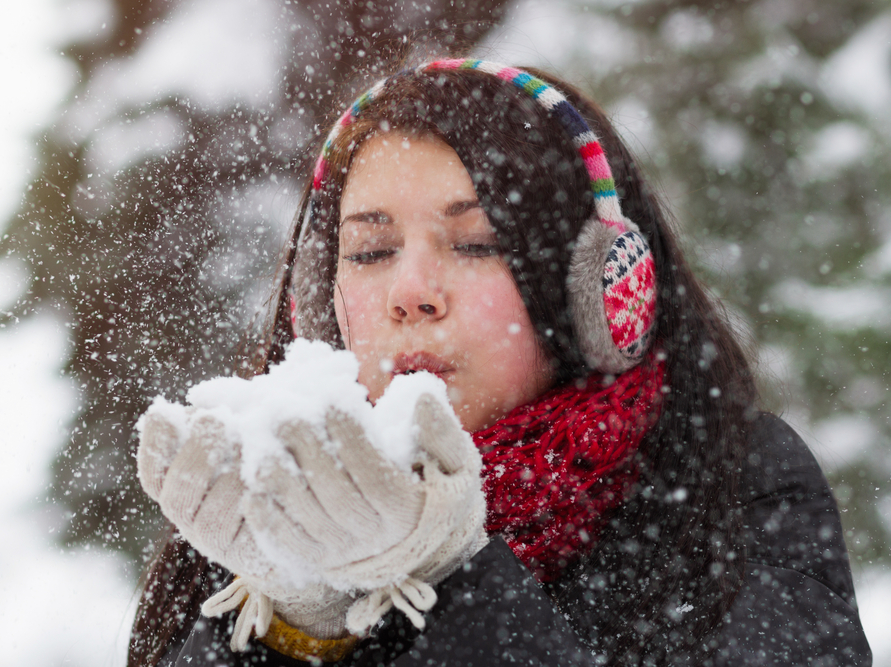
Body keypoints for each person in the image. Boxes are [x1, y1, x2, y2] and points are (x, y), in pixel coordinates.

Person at [126, 59, 872, 666]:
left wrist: (451, 578)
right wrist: (297, 622)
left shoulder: (735, 486)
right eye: (372, 252)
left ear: (598, 292)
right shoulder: (255, 511)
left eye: (477, 243)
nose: (411, 293)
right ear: (320, 306)